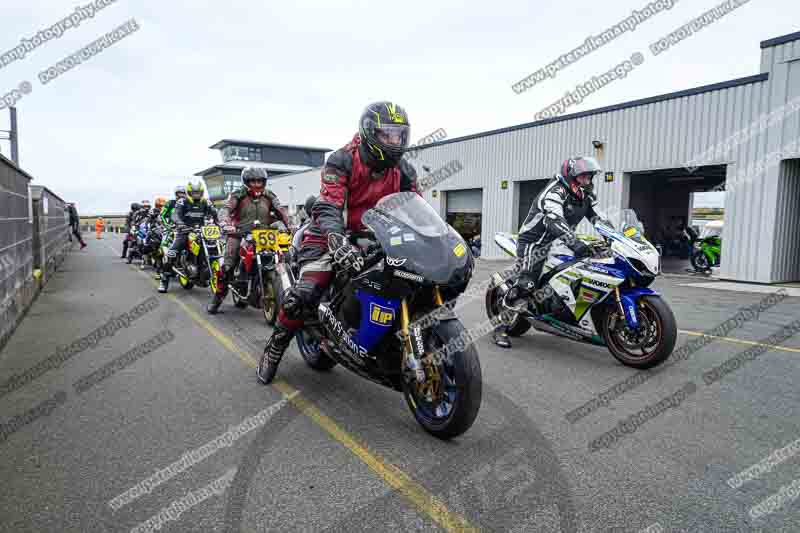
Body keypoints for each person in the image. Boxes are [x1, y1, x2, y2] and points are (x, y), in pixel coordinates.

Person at [257, 100, 417, 384]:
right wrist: (336, 239)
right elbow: (329, 203)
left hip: (377, 236)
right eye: (387, 135)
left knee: (418, 278)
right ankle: (275, 348)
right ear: (369, 132)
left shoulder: (403, 169)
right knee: (303, 295)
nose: (394, 141)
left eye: (399, 135)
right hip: (328, 234)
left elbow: (414, 206)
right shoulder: (341, 159)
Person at [493, 157, 608, 348]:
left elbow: (599, 219)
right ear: (571, 175)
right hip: (536, 243)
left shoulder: (586, 195)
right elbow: (554, 221)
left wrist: (614, 236)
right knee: (527, 284)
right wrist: (577, 245)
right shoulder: (555, 191)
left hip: (560, 240)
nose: (588, 179)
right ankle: (500, 328)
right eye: (584, 176)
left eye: (590, 176)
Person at [207, 167, 289, 314]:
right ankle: (217, 299)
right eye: (253, 181)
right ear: (246, 182)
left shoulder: (269, 195)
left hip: (264, 236)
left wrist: (290, 225)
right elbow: (225, 209)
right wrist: (225, 224)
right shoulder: (238, 194)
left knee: (283, 258)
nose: (257, 184)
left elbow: (281, 210)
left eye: (259, 181)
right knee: (227, 266)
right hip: (239, 234)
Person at [158, 181, 218, 293]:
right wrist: (179, 223)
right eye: (194, 193)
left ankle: (203, 273)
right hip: (184, 231)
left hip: (202, 232)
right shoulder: (182, 201)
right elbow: (175, 214)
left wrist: (221, 224)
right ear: (189, 192)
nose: (196, 195)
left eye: (198, 193)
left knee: (212, 249)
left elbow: (215, 214)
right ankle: (164, 280)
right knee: (171, 253)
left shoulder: (206, 202)